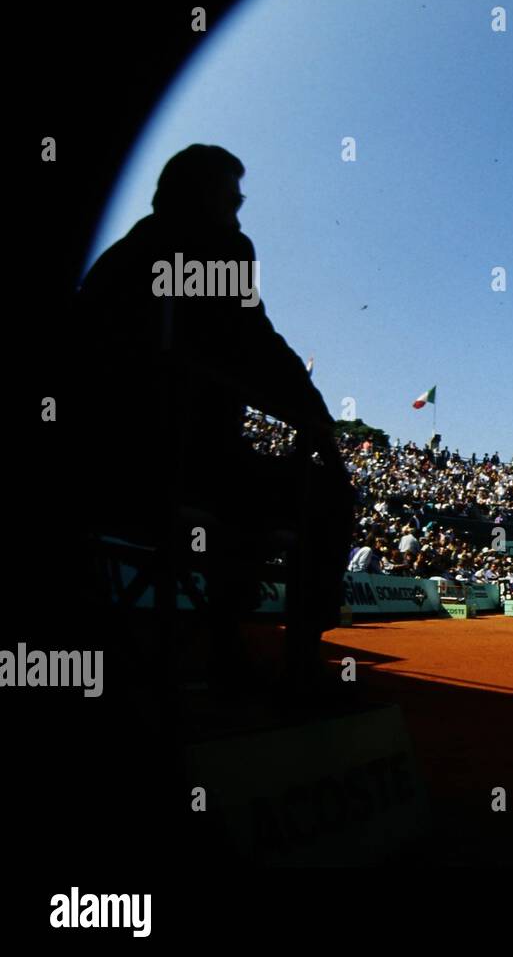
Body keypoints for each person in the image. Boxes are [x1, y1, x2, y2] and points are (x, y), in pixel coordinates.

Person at [68, 144, 355, 698]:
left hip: (98, 472)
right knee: (323, 494)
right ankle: (297, 665)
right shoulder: (218, 249)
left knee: (246, 492)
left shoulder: (116, 260)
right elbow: (260, 348)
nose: (239, 215)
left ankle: (225, 645)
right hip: (173, 464)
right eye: (231, 201)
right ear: (198, 198)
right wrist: (320, 428)